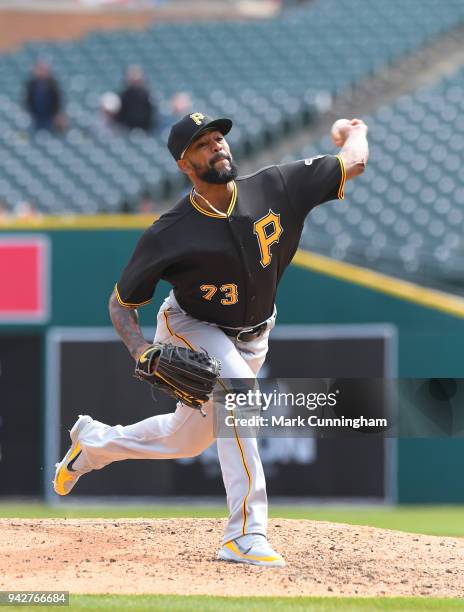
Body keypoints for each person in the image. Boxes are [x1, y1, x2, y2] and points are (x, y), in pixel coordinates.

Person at [53, 112, 369, 567]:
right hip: (192, 325)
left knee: (185, 440)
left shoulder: (278, 185)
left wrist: (355, 131)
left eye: (219, 138)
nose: (217, 146)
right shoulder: (169, 231)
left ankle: (94, 444)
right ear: (185, 165)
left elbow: (352, 163)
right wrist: (141, 349)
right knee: (240, 393)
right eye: (202, 144)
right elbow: (122, 303)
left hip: (255, 334)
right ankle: (244, 534)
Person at [25, 60, 63, 132]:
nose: (41, 72)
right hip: (35, 116)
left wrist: (56, 114)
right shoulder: (32, 84)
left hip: (49, 116)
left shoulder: (52, 84)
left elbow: (57, 100)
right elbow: (28, 99)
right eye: (40, 69)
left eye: (43, 70)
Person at [116, 65, 156, 133]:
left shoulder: (147, 94)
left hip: (145, 129)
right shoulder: (124, 95)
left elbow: (150, 114)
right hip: (126, 128)